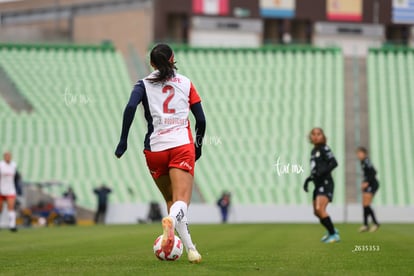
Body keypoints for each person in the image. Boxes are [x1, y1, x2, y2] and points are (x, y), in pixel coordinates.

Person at [115, 44, 206, 263]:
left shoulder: (143, 84)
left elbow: (129, 108)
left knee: (171, 202)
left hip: (155, 148)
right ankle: (171, 223)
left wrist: (123, 140)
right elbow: (201, 120)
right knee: (182, 201)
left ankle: (191, 250)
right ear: (173, 59)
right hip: (181, 145)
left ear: (152, 63)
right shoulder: (185, 83)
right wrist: (199, 146)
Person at [303, 128, 340, 243]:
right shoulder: (314, 151)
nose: (315, 136)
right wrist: (308, 180)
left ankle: (334, 234)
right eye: (313, 134)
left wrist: (322, 172)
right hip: (317, 184)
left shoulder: (324, 148)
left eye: (318, 134)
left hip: (325, 183)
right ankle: (331, 230)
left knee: (320, 209)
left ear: (323, 136)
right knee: (316, 212)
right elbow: (316, 169)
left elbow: (334, 163)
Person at [356, 147, 380, 232]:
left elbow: (373, 172)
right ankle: (366, 225)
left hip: (372, 184)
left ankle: (375, 223)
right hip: (369, 184)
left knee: (366, 204)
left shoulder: (366, 161)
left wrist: (366, 182)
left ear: (365, 154)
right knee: (365, 205)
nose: (358, 155)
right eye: (357, 153)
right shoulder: (362, 162)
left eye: (360, 153)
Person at [0, 152, 18, 232]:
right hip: (1, 189)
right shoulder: (1, 165)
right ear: (4, 157)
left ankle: (12, 226)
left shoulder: (14, 165)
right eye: (6, 156)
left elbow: (16, 177)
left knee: (11, 207)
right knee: (0, 208)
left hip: (10, 189)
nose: (8, 157)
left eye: (9, 156)